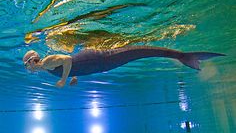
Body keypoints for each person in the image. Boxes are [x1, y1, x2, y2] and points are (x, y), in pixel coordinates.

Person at [23, 46, 225, 87]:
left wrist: (64, 78)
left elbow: (67, 60)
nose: (28, 68)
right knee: (139, 54)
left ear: (33, 60)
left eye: (27, 65)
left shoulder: (47, 62)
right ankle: (182, 56)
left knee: (140, 52)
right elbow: (73, 68)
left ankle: (182, 56)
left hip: (99, 57)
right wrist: (73, 78)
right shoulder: (46, 71)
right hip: (99, 64)